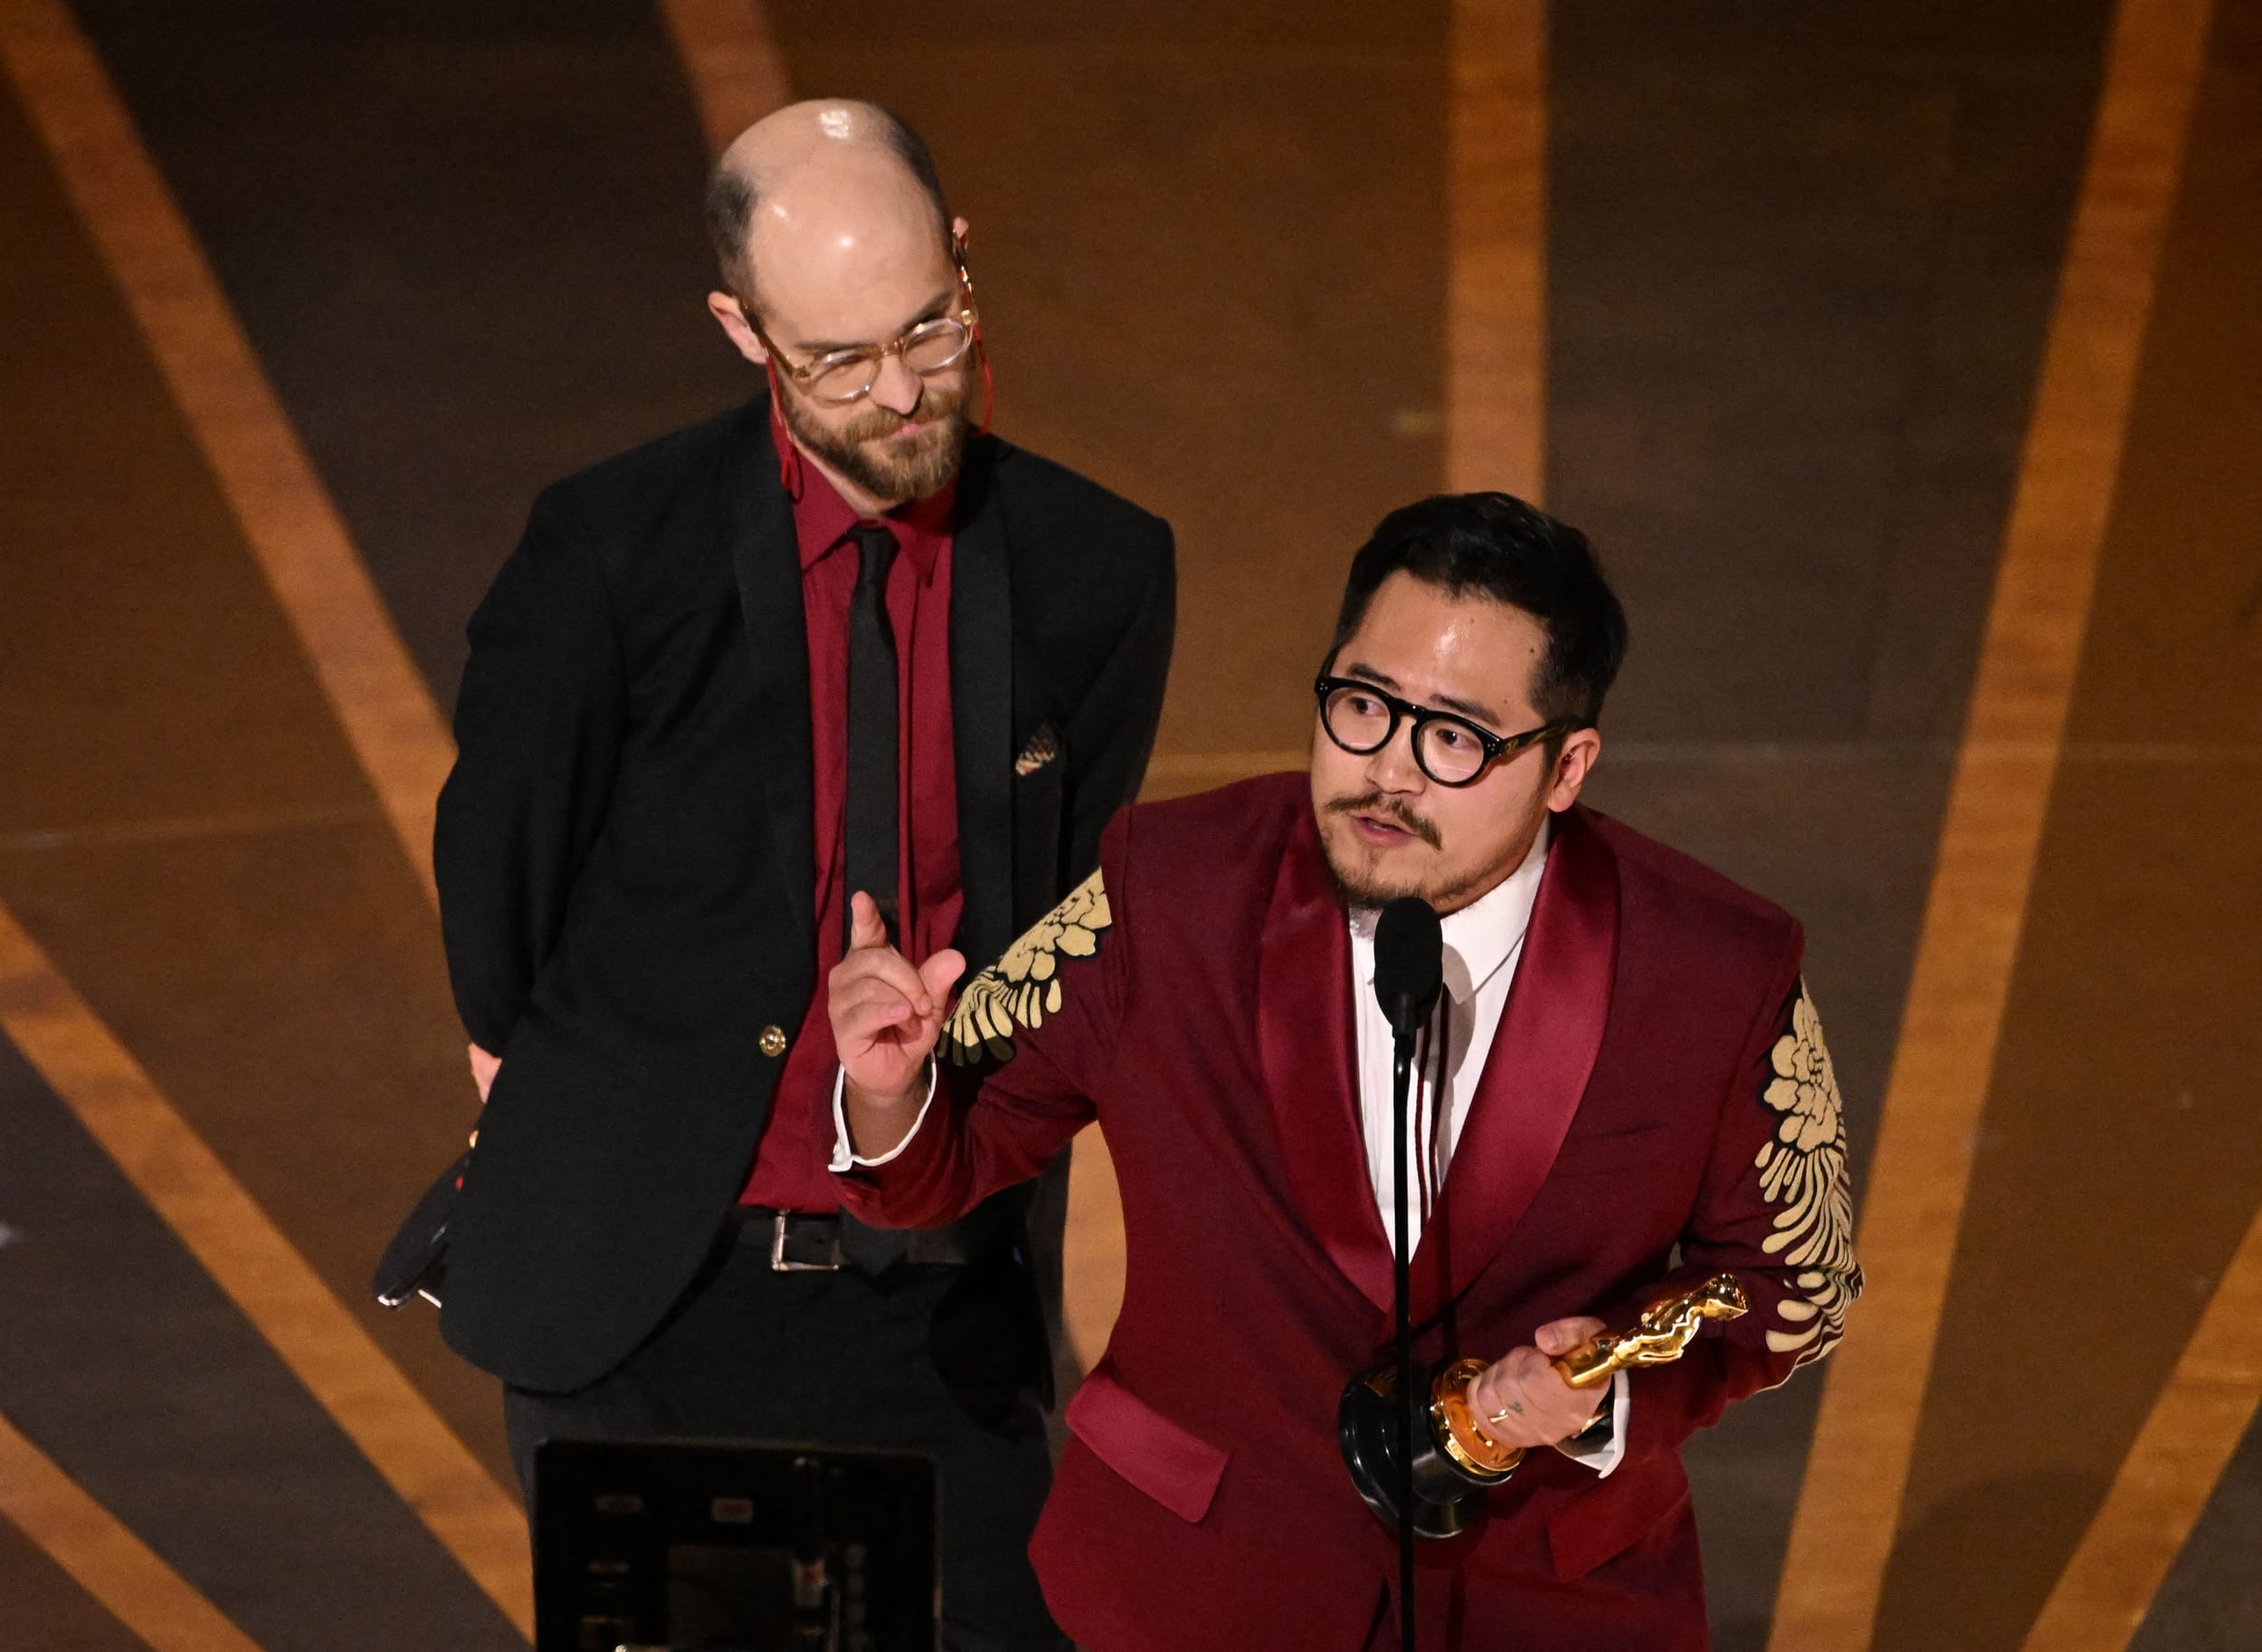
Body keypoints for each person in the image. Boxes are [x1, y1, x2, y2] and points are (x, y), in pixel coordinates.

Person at [829, 493, 1859, 1651]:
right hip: (1192, 1590)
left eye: (1456, 737)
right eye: (1362, 705)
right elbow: (948, 1151)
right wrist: (885, 1088)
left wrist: (1604, 1389)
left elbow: (1794, 1285)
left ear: (1566, 766)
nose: (1388, 775)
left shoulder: (1716, 970)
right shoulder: (1166, 888)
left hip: (1543, 1608)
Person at [429, 100, 1174, 1652]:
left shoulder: (1098, 571)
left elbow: (1051, 931)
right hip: (652, 1299)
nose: (901, 393)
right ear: (739, 327)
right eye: (839, 361)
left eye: (930, 329)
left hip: (936, 1300)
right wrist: (564, 1114)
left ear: (964, 263)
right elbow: (500, 881)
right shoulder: (614, 556)